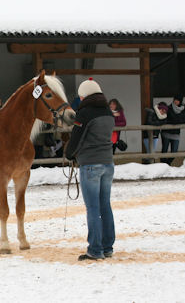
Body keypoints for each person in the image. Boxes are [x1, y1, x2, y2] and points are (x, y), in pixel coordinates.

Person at [65, 78, 115, 261]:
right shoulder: (108, 112)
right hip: (108, 163)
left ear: (84, 95)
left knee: (93, 207)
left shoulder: (85, 113)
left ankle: (95, 249)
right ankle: (107, 246)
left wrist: (69, 154)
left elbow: (76, 137)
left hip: (90, 164)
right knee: (105, 205)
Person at [161, 94, 185, 165]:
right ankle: (163, 165)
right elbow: (168, 120)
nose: (176, 101)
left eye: (177, 100)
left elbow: (183, 121)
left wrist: (175, 120)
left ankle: (167, 164)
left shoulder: (183, 108)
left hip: (176, 133)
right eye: (175, 99)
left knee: (174, 152)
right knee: (164, 151)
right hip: (166, 132)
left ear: (180, 101)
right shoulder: (169, 108)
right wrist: (177, 120)